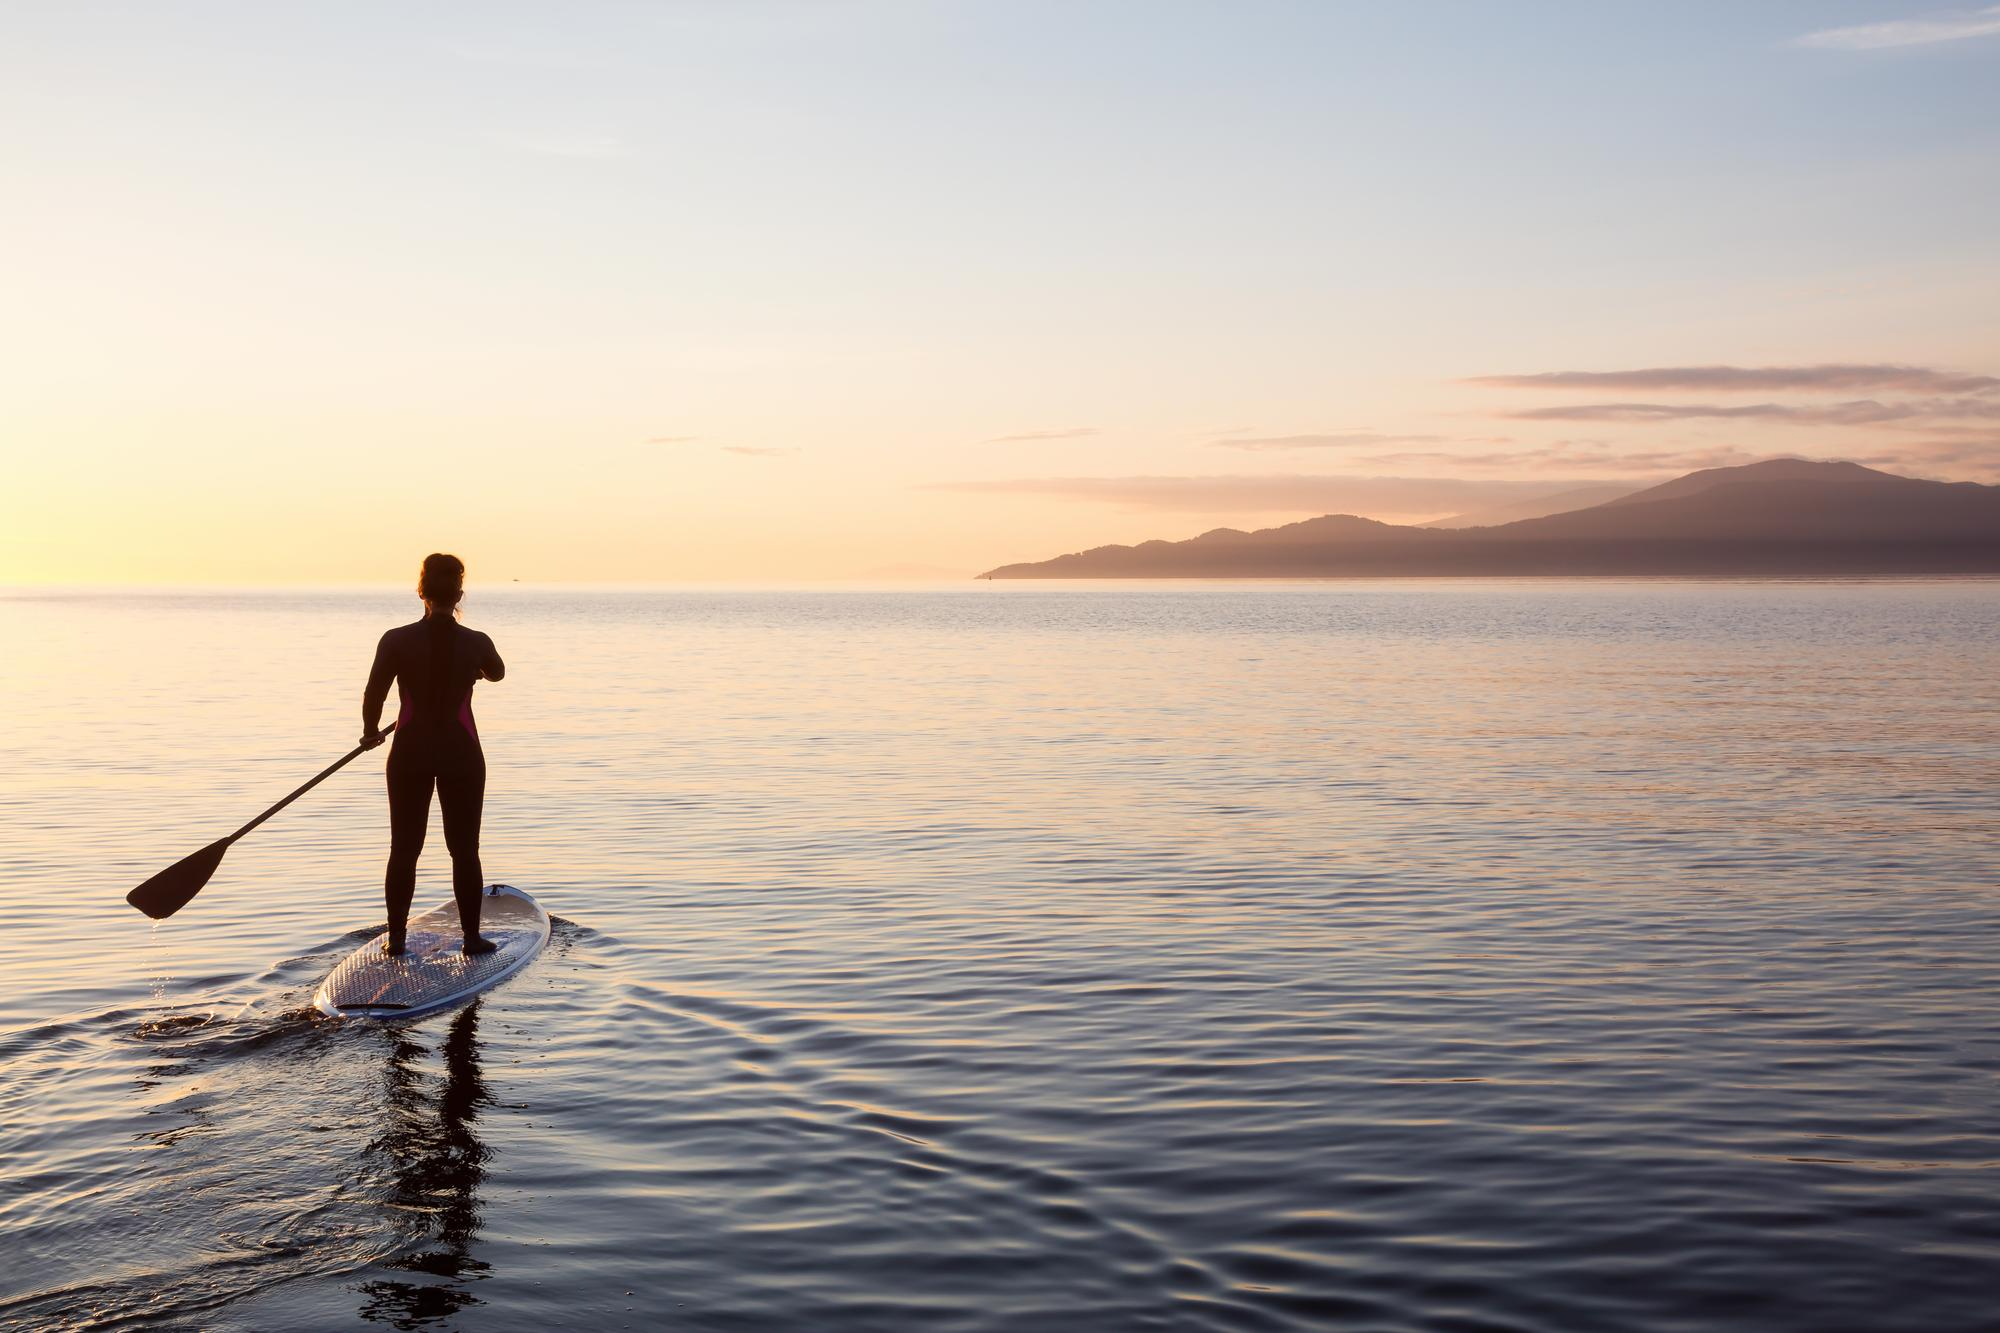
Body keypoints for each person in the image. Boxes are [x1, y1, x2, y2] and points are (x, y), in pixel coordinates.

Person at [361, 553, 506, 956]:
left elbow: (375, 693)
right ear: (459, 594)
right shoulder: (477, 641)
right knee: (465, 850)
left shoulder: (395, 639)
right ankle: (472, 939)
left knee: (404, 849)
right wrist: (475, 669)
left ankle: (396, 940)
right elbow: (497, 673)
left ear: (420, 592)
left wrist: (370, 732)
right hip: (461, 754)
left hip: (410, 752)